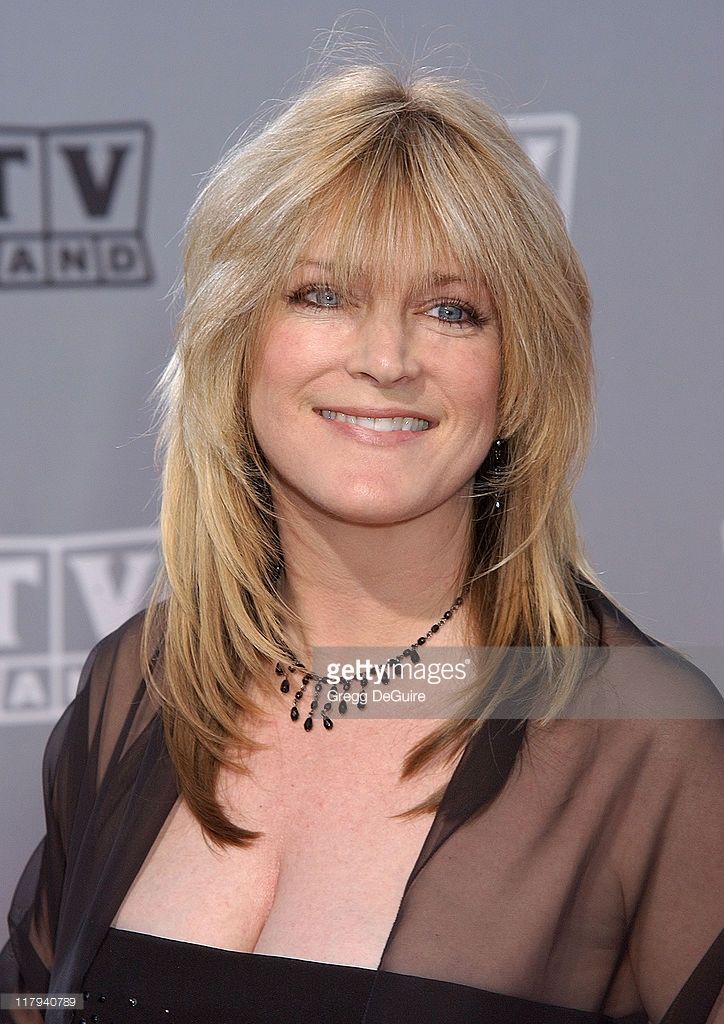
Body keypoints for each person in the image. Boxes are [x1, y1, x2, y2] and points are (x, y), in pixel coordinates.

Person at [1, 62, 723, 1024]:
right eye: (323, 295)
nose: (386, 360)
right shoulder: (140, 686)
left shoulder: (647, 746)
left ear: (519, 371)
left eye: (450, 310)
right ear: (235, 338)